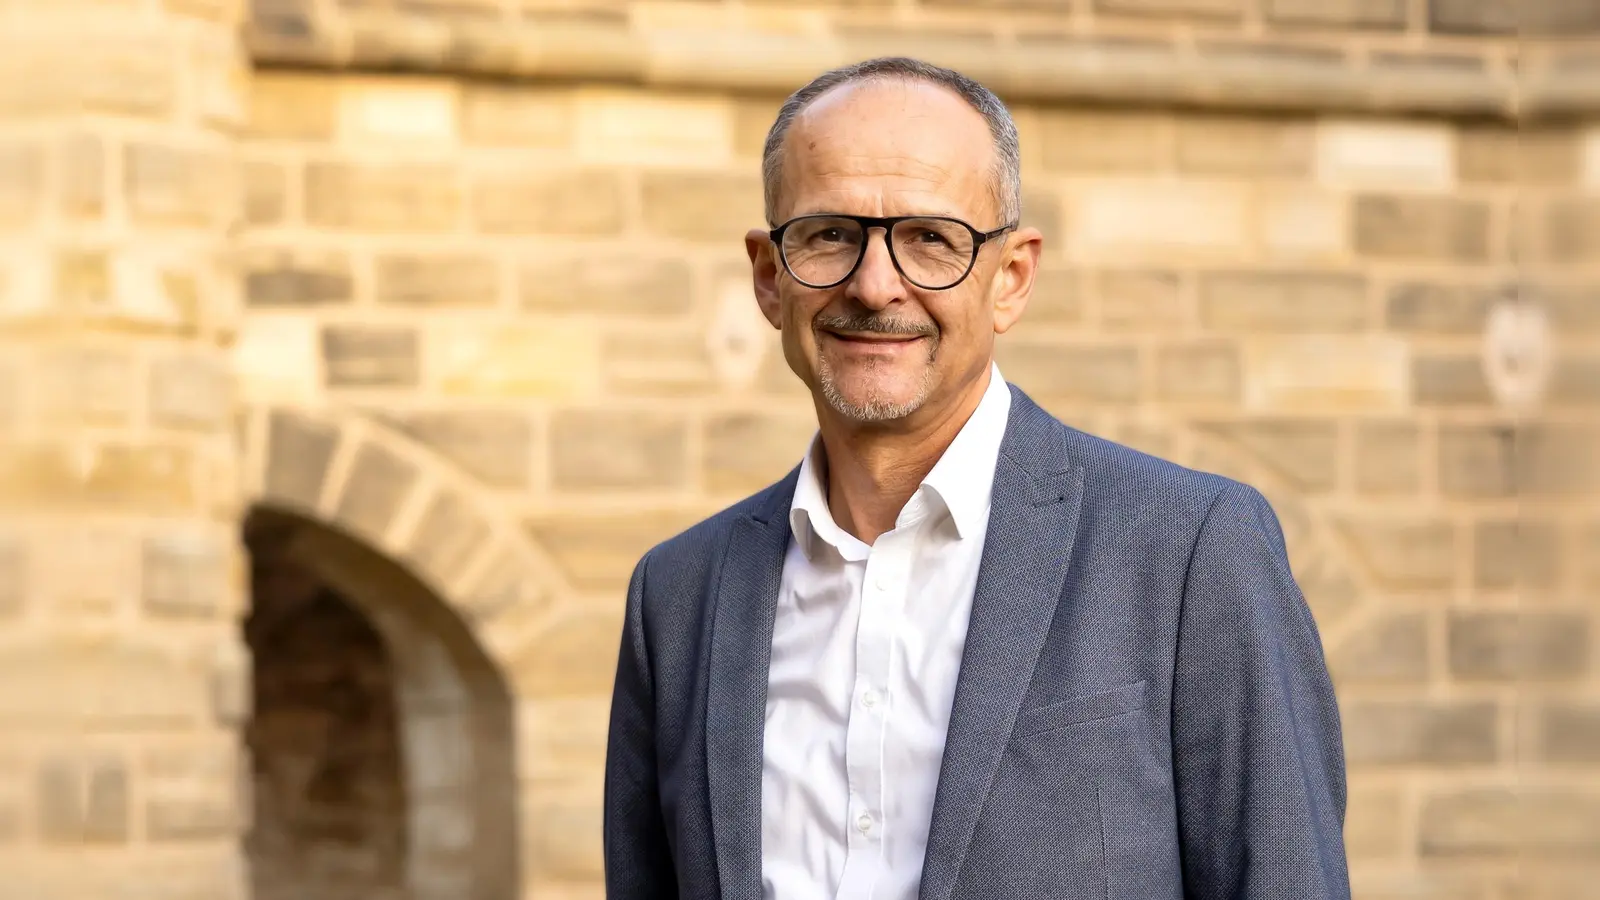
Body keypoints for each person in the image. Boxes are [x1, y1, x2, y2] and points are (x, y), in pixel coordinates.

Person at [603, 56, 1350, 900]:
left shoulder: (1190, 551)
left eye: (931, 239)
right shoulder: (678, 595)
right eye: (829, 235)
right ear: (770, 277)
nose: (874, 285)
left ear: (1012, 278)